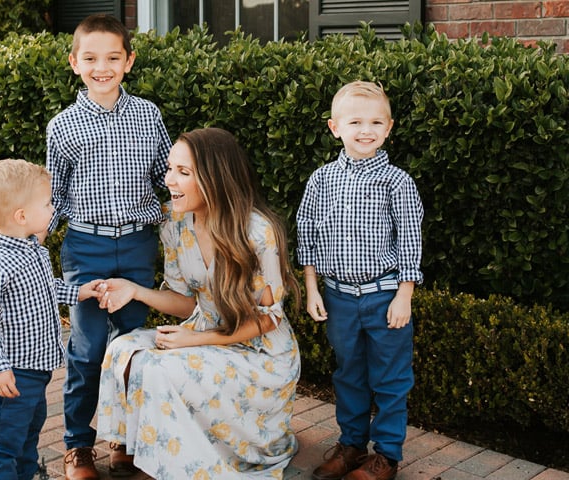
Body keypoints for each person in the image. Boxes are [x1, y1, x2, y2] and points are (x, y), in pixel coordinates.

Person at [89, 127, 302, 479]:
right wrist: (134, 291)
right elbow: (186, 303)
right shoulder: (176, 222)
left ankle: (171, 465)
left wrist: (197, 339)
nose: (169, 180)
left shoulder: (256, 232)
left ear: (216, 178)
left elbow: (268, 319)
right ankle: (132, 445)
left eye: (183, 172)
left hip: (259, 353)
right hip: (204, 332)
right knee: (123, 348)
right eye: (170, 168)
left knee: (157, 368)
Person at [44, 13, 172, 480]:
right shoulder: (63, 126)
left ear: (129, 61)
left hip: (137, 246)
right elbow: (55, 194)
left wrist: (197, 208)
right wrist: (32, 242)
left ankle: (124, 438)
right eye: (91, 58)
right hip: (86, 248)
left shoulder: (148, 115)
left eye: (113, 58)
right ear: (74, 62)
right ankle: (78, 445)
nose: (102, 68)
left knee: (131, 346)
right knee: (87, 348)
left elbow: (166, 175)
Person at [296, 81, 424, 480]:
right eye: (355, 122)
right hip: (338, 297)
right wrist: (312, 288)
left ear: (389, 128)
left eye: (375, 122)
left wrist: (404, 294)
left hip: (383, 295)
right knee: (348, 373)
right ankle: (351, 446)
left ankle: (386, 456)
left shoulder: (397, 182)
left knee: (390, 378)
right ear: (335, 128)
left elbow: (410, 240)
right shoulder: (321, 180)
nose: (365, 130)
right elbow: (306, 234)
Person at [0, 159, 98, 480]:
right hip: (13, 374)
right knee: (5, 445)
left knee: (29, 436)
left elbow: (46, 287)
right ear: (22, 216)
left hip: (37, 370)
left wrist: (80, 292)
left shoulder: (35, 251)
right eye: (47, 203)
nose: (52, 207)